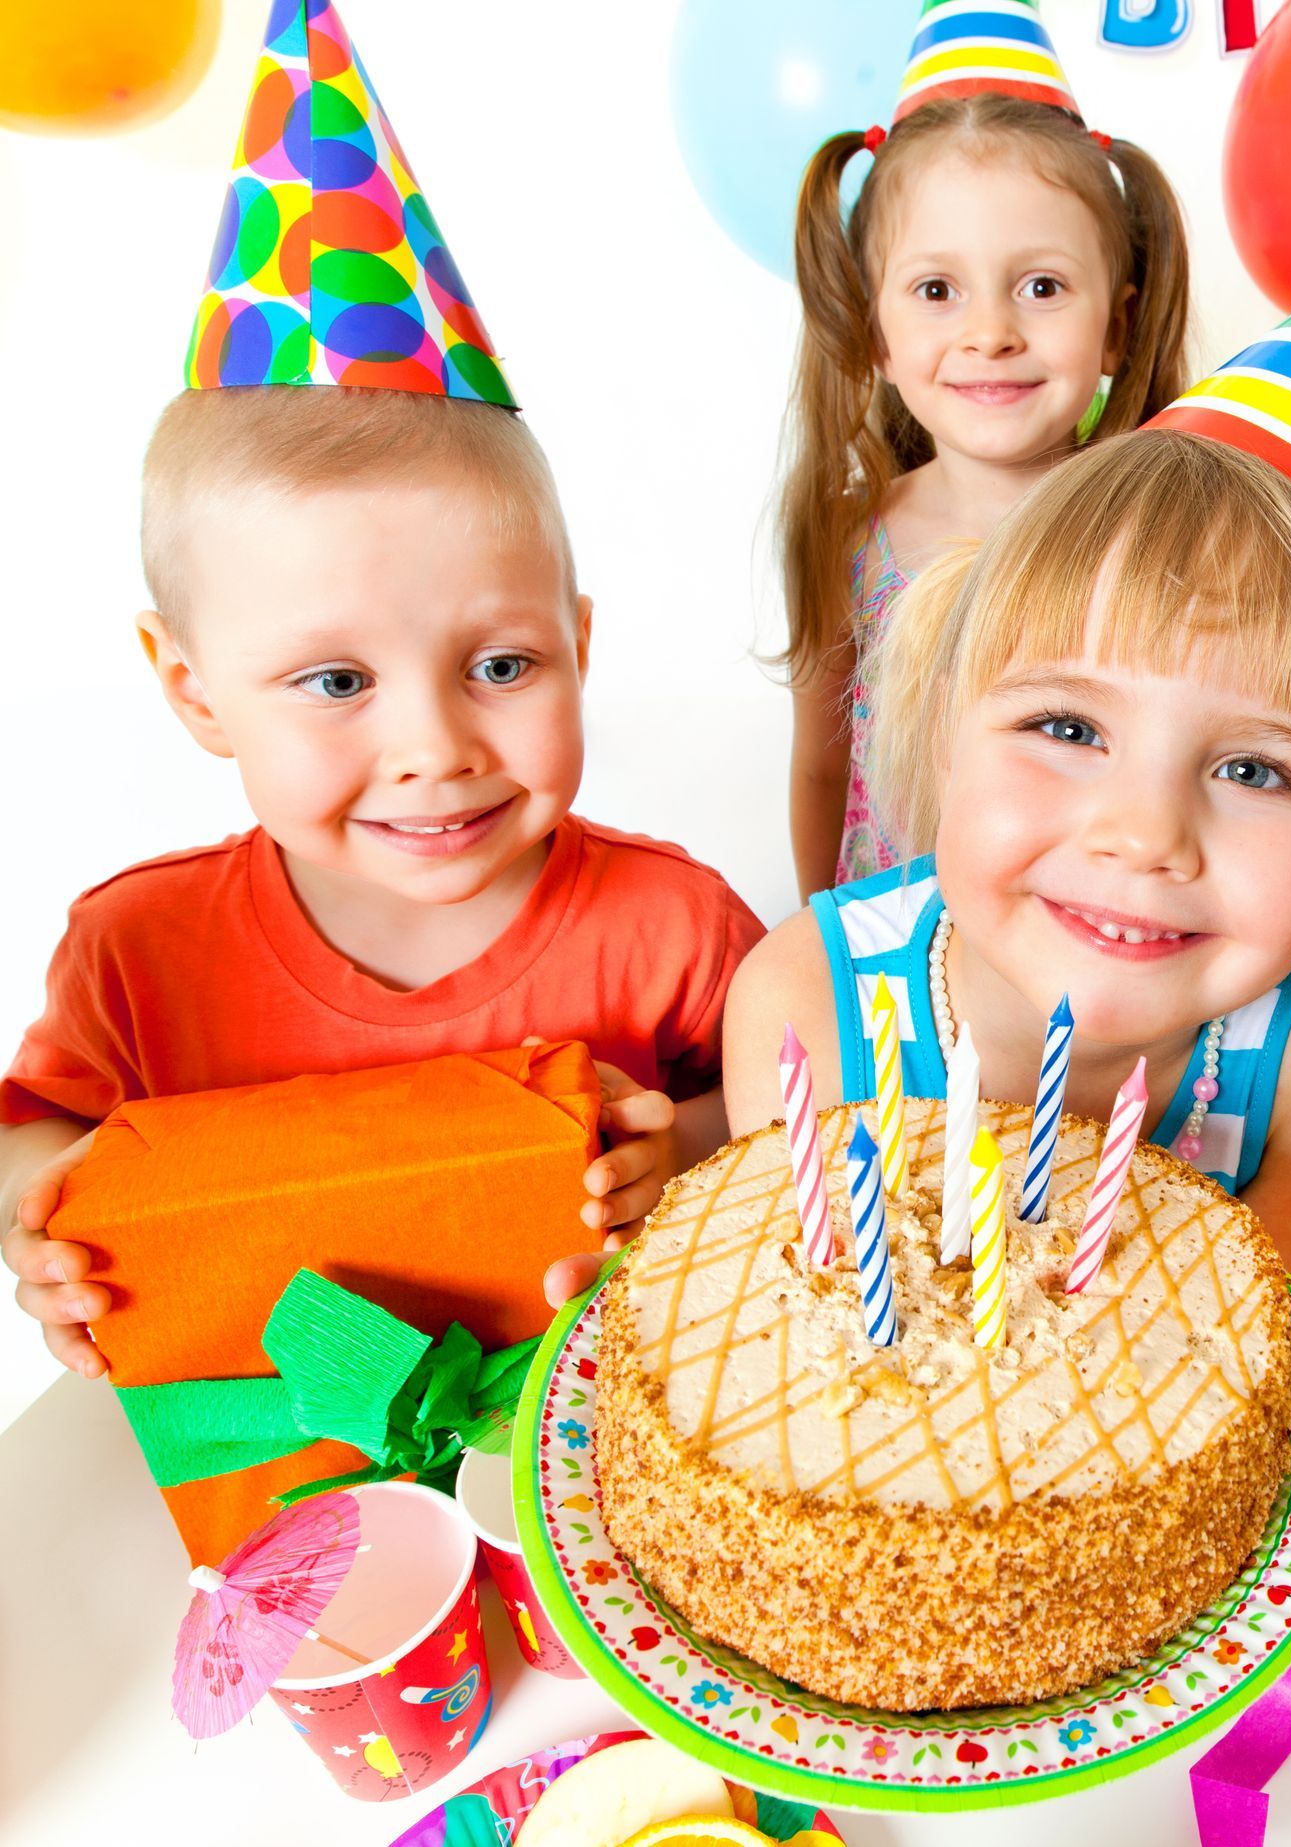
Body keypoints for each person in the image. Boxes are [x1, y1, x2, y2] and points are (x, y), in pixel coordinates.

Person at [1, 0, 761, 1380]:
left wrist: (687, 1147)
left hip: (604, 1453)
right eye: (337, 679)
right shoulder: (140, 956)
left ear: (577, 640)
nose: (436, 746)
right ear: (192, 688)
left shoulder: (672, 929)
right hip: (265, 1490)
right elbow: (36, 1131)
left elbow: (788, 1110)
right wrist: (37, 1215)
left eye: (501, 663)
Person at [706, 195, 1291, 1453]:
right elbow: (817, 1361)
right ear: (941, 724)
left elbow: (1255, 1362)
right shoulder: (806, 1000)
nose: (1145, 833)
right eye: (1068, 728)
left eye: (1255, 768)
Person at [780, 0, 1189, 894]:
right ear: (875, 331)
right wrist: (820, 937)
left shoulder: (1154, 541)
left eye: (1041, 285)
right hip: (894, 953)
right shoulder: (851, 540)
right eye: (937, 289)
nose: (991, 332)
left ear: (1116, 329)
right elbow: (822, 767)